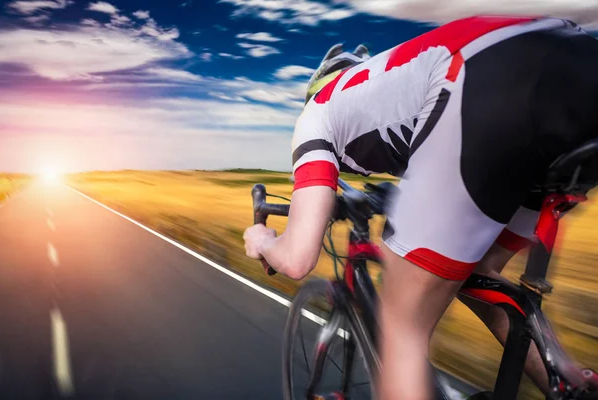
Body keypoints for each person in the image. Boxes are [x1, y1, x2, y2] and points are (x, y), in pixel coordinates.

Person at [244, 16, 598, 400]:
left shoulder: (318, 110)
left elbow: (297, 258)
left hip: (490, 78)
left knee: (401, 322)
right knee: (477, 270)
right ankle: (568, 383)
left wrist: (263, 239)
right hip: (578, 67)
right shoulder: (393, 80)